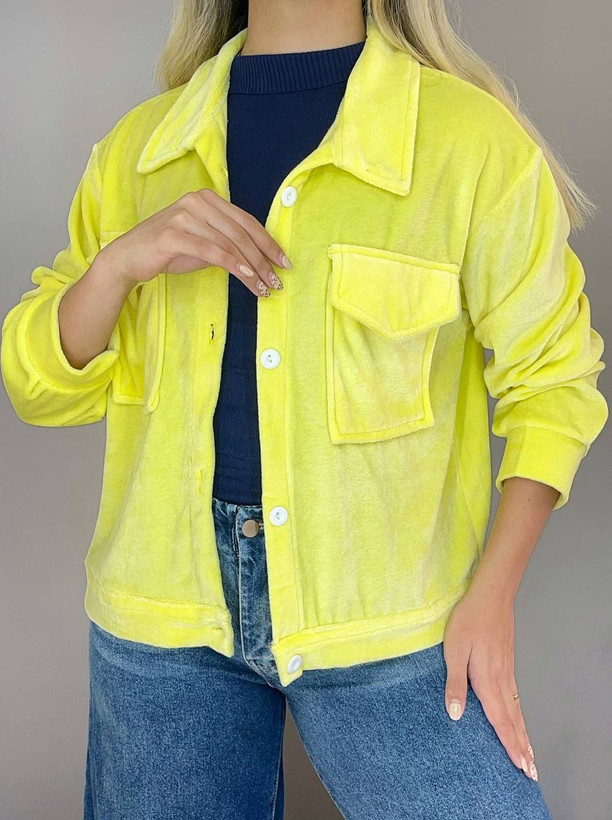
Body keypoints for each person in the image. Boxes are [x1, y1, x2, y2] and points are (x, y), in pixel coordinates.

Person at [1, 1, 608, 818]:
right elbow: (39, 386)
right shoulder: (139, 152)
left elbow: (554, 383)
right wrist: (118, 266)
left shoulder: (470, 144)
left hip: (394, 617)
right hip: (163, 617)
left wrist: (493, 600)